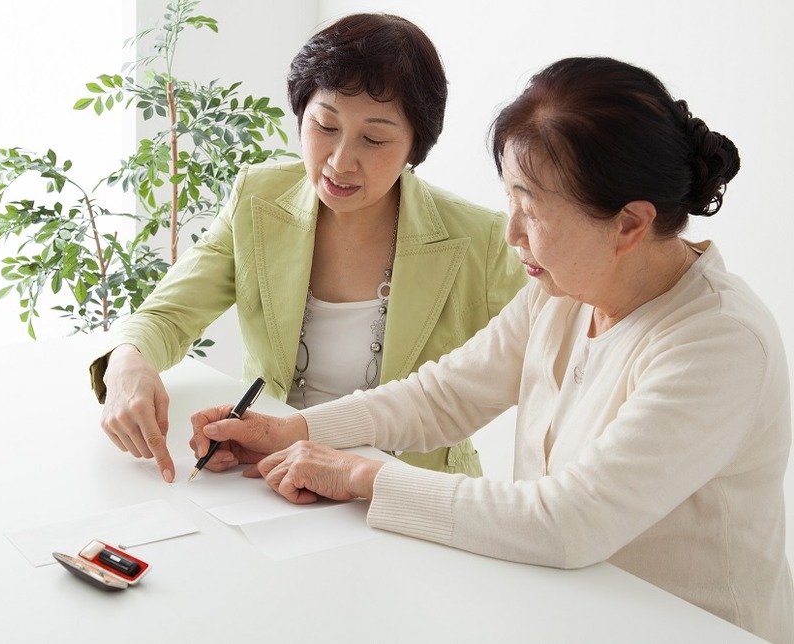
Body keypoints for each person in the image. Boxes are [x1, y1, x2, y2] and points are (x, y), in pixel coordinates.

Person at [187, 56, 794, 642]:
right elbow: (446, 394)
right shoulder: (565, 287)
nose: (511, 233)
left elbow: (566, 521)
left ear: (631, 223)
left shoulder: (717, 344)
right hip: (567, 607)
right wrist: (291, 429)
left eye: (532, 209)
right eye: (511, 198)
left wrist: (358, 475)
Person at [88, 13, 527, 483]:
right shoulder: (258, 200)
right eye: (325, 126)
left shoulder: (479, 240)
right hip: (268, 479)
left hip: (406, 493)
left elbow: (559, 353)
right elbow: (168, 314)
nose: (340, 162)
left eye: (374, 139)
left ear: (414, 148)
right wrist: (127, 360)